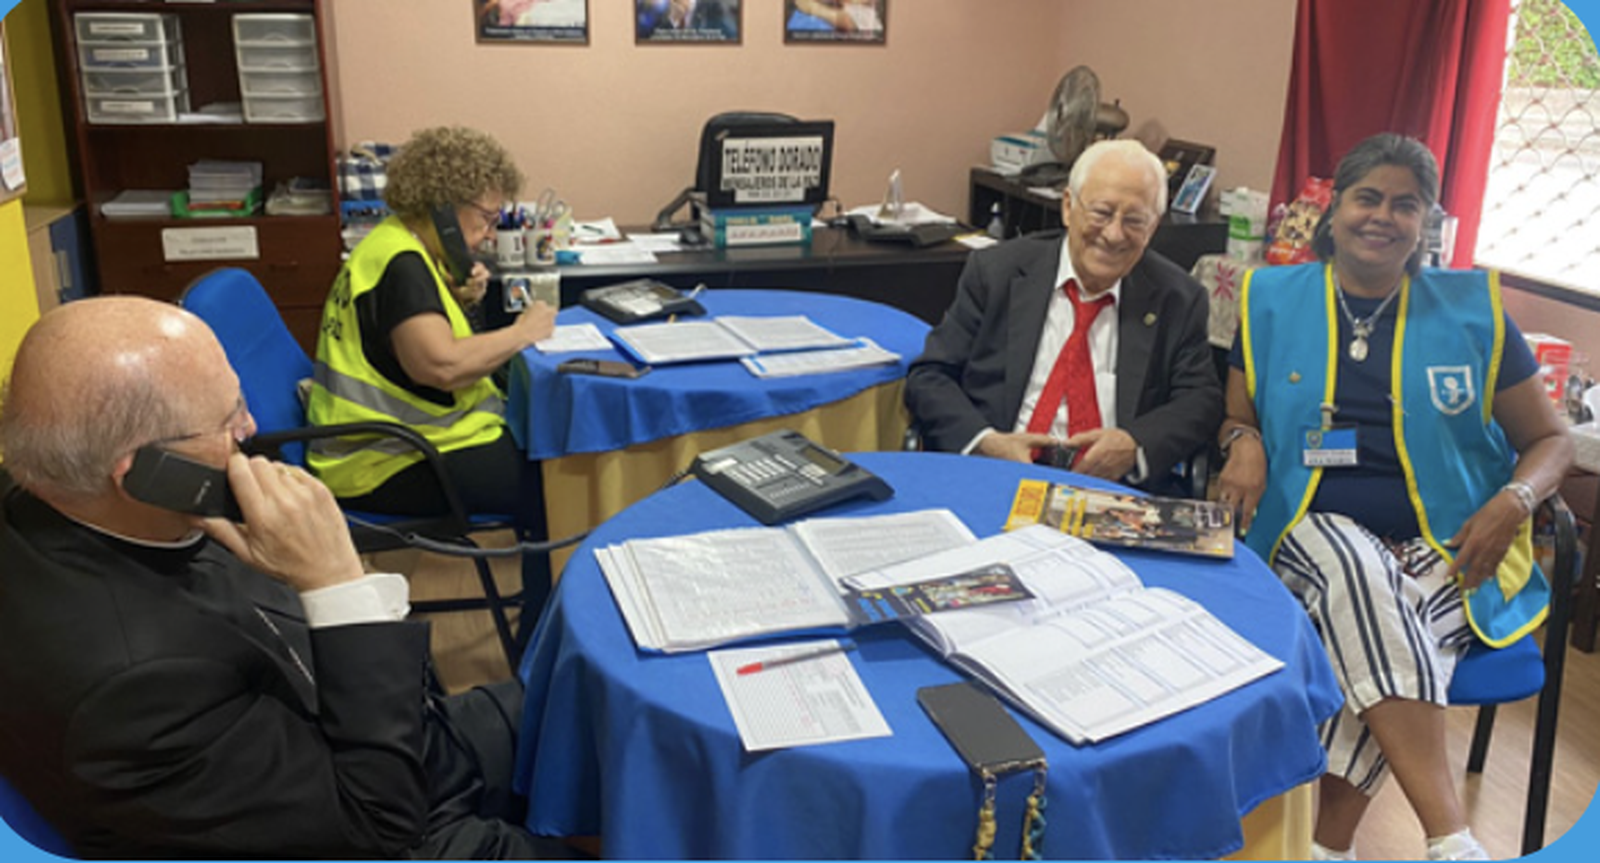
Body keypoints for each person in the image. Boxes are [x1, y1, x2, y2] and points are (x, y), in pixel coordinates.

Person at [0, 297, 585, 859]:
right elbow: (379, 819)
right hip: (381, 821)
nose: (251, 426)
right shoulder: (131, 692)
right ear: (148, 473)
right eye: (229, 418)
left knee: (588, 697)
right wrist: (337, 584)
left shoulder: (68, 501)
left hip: (381, 734)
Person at [1215, 133, 1572, 862]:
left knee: (1381, 621)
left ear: (1426, 221)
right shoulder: (1272, 299)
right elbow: (1238, 413)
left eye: (1405, 204)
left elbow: (1552, 440)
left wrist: (1513, 499)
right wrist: (1242, 442)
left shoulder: (1475, 311)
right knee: (1353, 563)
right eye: (1367, 197)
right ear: (1334, 207)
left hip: (1453, 544)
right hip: (1306, 529)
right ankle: (1450, 834)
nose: (1383, 217)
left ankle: (1323, 848)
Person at [904, 139, 1222, 492]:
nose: (1114, 234)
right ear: (1069, 207)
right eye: (1102, 212)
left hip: (1111, 494)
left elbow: (1200, 399)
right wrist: (986, 442)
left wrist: (1135, 443)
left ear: (1154, 226)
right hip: (997, 476)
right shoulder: (997, 272)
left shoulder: (1178, 297)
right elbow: (930, 375)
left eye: (1134, 220)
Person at [308, 125, 551, 522]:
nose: (490, 235)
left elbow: (395, 335)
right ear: (444, 208)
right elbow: (442, 366)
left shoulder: (396, 243)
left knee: (543, 447)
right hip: (385, 458)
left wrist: (455, 299)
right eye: (487, 219)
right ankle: (552, 583)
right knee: (554, 474)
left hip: (387, 442)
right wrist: (523, 333)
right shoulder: (404, 266)